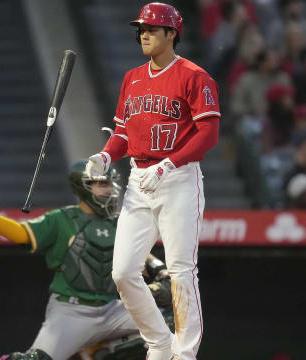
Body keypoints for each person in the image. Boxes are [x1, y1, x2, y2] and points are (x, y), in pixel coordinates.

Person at [84, 3, 220, 359]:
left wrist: (170, 164)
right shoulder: (132, 78)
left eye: (152, 29)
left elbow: (208, 134)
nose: (143, 34)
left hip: (178, 178)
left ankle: (185, 354)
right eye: (141, 29)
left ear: (172, 34)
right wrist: (105, 155)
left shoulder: (194, 75)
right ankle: (160, 341)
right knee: (124, 273)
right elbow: (123, 132)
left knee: (180, 270)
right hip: (139, 178)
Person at [0, 160, 173, 360]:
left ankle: (100, 351)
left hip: (111, 309)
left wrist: (161, 272)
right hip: (72, 312)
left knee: (168, 327)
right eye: (100, 184)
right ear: (82, 187)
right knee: (36, 359)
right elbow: (22, 233)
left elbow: (141, 256)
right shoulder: (62, 220)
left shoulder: (119, 223)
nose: (108, 190)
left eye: (109, 184)